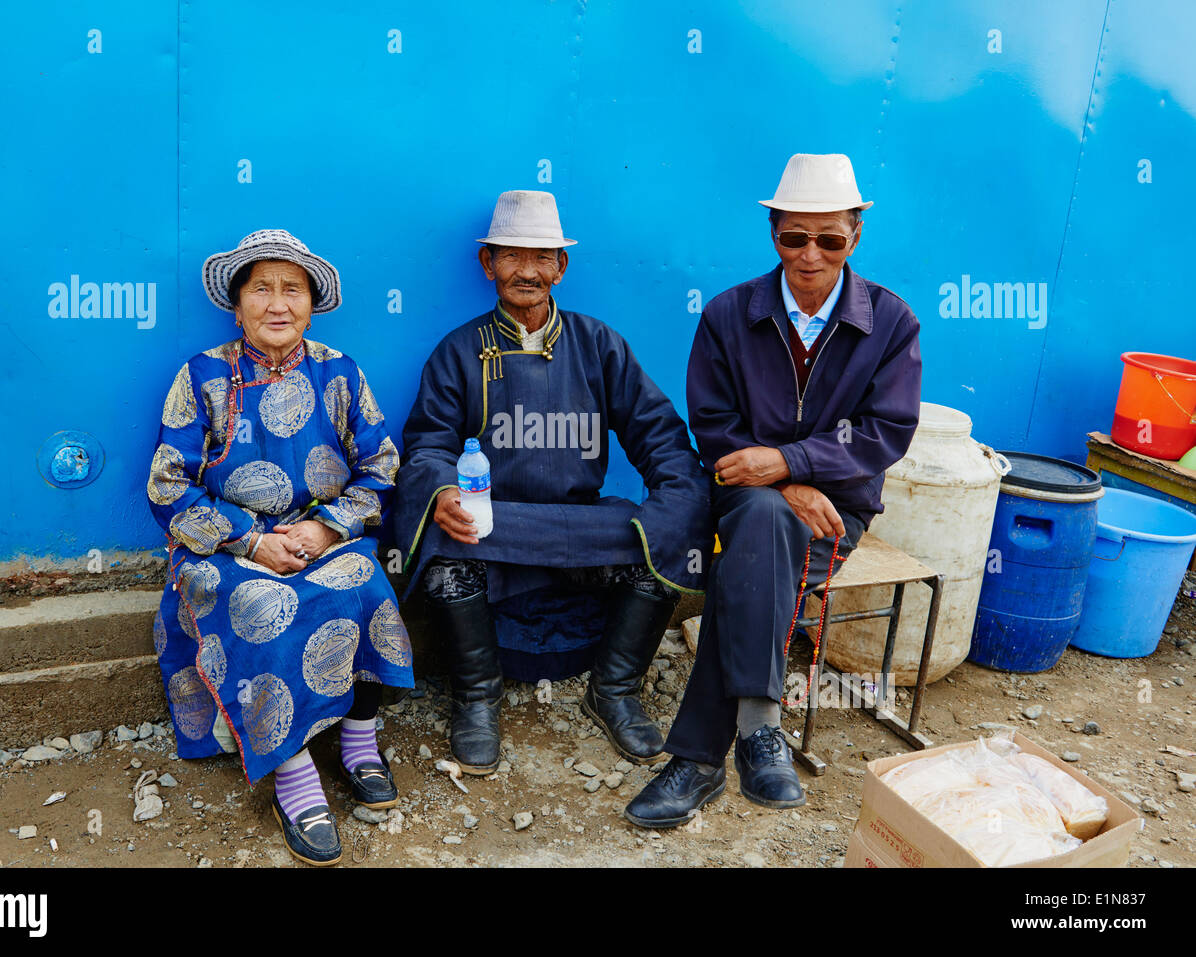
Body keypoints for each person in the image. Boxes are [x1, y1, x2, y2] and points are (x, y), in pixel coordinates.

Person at [625, 154, 922, 828]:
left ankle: (698, 761)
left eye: (830, 239)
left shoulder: (891, 322)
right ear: (773, 233)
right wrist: (783, 477)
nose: (810, 255)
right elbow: (713, 425)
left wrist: (786, 464)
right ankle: (760, 729)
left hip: (835, 506)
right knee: (759, 519)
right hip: (743, 490)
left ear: (856, 237)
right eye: (795, 237)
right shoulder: (731, 314)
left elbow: (886, 431)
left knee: (750, 559)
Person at [393, 190, 713, 775]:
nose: (527, 271)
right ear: (488, 264)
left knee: (664, 534)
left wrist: (678, 499)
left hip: (578, 525)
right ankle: (478, 698)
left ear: (561, 268)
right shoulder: (460, 351)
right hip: (491, 525)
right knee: (439, 547)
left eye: (542, 258)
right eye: (511, 257)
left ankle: (613, 690)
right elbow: (427, 447)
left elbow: (658, 433)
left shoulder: (598, 343)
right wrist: (441, 492)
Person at [147, 229, 414, 865]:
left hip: (321, 532)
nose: (277, 304)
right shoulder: (204, 376)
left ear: (312, 303)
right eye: (260, 289)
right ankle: (294, 780)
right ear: (236, 304)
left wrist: (326, 529)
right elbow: (166, 485)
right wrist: (251, 539)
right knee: (262, 607)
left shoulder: (339, 371)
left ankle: (358, 740)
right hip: (225, 548)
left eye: (291, 289)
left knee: (367, 583)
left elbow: (382, 467)